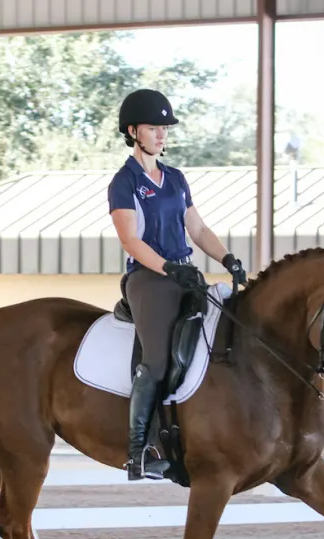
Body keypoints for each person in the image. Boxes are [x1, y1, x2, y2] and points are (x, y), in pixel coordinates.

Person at [108, 88, 247, 481]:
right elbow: (131, 240)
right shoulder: (124, 182)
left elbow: (197, 228)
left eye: (164, 128)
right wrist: (169, 268)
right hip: (149, 280)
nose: (161, 134)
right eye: (153, 127)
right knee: (157, 358)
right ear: (133, 131)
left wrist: (227, 258)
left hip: (185, 273)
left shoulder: (175, 178)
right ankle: (137, 452)